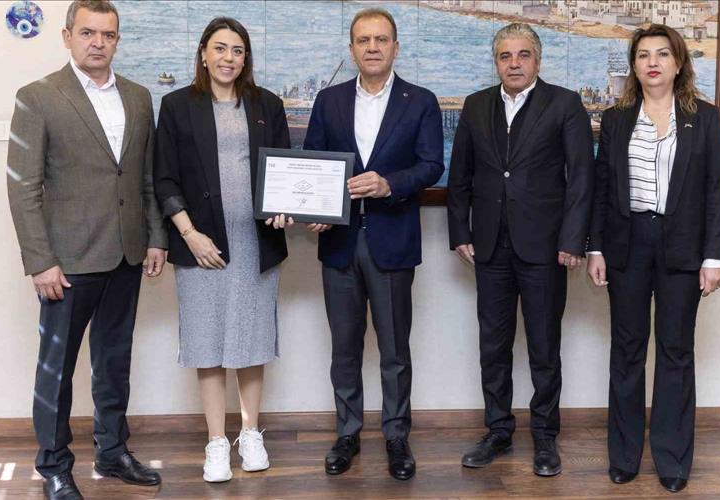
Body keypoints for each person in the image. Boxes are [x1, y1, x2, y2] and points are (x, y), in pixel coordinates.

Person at [6, 1, 166, 499]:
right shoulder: (38, 97)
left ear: (117, 40)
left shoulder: (138, 97)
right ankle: (54, 466)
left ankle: (112, 451)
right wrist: (40, 261)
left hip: (127, 255)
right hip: (67, 262)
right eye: (88, 33)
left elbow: (145, 177)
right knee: (55, 369)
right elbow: (23, 188)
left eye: (108, 35)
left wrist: (156, 237)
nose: (98, 42)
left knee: (114, 362)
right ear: (67, 36)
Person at [447, 23, 594, 477]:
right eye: (505, 56)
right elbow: (460, 177)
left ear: (537, 60)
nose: (514, 63)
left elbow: (581, 178)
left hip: (546, 250)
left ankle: (545, 436)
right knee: (493, 346)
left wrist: (572, 241)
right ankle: (498, 430)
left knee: (544, 347)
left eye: (523, 54)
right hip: (489, 247)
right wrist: (460, 231)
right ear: (496, 62)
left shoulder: (565, 104)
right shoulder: (476, 105)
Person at [586, 24, 720, 493]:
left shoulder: (704, 118)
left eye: (662, 54)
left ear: (678, 62)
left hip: (683, 246)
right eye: (643, 54)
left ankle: (672, 460)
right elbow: (601, 189)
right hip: (627, 245)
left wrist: (716, 256)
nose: (653, 62)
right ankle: (624, 456)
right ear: (634, 66)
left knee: (675, 351)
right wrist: (595, 247)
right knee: (627, 350)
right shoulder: (616, 119)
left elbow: (715, 190)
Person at [303, 7, 443, 481]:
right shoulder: (329, 100)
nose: (373, 47)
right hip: (339, 243)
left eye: (381, 39)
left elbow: (431, 165)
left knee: (394, 350)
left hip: (392, 240)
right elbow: (313, 162)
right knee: (344, 348)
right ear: (352, 49)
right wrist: (315, 208)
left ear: (395, 48)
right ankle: (347, 434)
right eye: (364, 40)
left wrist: (389, 185)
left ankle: (396, 436)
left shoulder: (420, 101)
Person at [153, 17, 291, 484]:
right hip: (201, 243)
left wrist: (284, 208)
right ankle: (216, 441)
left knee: (251, 340)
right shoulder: (176, 105)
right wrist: (189, 234)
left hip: (255, 242)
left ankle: (250, 433)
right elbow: (164, 178)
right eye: (220, 48)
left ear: (246, 57)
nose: (228, 58)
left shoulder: (267, 104)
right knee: (207, 341)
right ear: (203, 53)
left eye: (237, 50)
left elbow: (283, 171)